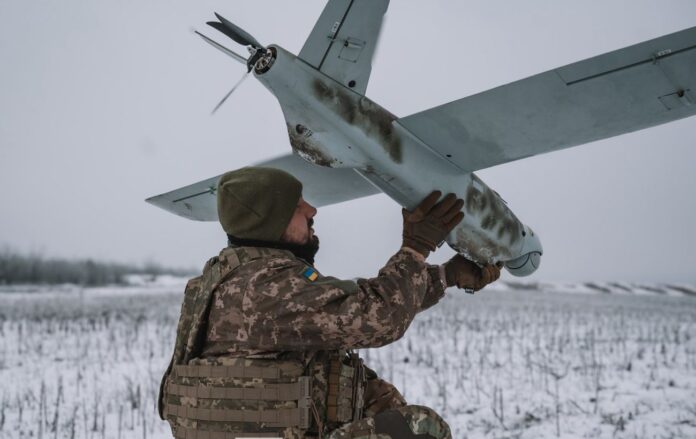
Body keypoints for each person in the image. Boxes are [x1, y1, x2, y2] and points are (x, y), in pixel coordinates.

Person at [158, 167, 501, 439]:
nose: (311, 210)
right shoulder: (265, 287)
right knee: (421, 429)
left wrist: (446, 276)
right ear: (270, 221)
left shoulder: (236, 277)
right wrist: (416, 247)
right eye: (296, 206)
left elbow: (349, 305)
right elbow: (378, 317)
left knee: (381, 401)